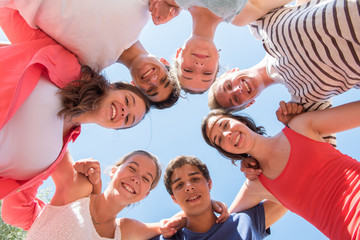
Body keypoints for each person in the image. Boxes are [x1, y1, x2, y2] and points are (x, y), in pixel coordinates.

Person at [0, 7, 150, 208]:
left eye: (128, 119)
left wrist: (87, 205)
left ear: (115, 127)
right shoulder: (67, 65)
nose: (124, 111)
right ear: (113, 87)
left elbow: (18, 212)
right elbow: (10, 13)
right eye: (128, 101)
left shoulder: (55, 157)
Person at [201, 100, 360, 239]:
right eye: (220, 140)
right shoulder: (256, 184)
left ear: (240, 120)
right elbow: (219, 229)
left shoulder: (299, 126)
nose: (227, 134)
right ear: (226, 151)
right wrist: (185, 216)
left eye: (225, 125)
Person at [0, 0, 181, 108]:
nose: (153, 81)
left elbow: (32, 46)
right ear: (163, 61)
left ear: (135, 85)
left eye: (150, 90)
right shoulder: (145, 9)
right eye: (163, 79)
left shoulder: (87, 68)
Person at [208, 0, 360, 118]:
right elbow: (324, 149)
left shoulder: (258, 23)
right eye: (235, 99)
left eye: (228, 85)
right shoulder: (303, 101)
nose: (237, 90)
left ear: (231, 72)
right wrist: (293, 123)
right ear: (249, 104)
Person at [4, 150, 165, 238]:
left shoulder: (126, 230)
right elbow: (47, 143)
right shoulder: (80, 188)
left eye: (146, 178)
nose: (136, 178)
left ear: (145, 195)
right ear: (114, 171)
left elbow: (173, 223)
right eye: (132, 168)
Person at [149, 0, 293, 94]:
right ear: (218, 59)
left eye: (188, 70)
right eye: (207, 73)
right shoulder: (241, 17)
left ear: (178, 54)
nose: (199, 66)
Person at [150, 155, 287, 239]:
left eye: (195, 179)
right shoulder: (167, 237)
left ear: (209, 184)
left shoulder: (244, 222)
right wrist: (181, 219)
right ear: (174, 198)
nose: (189, 187)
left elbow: (291, 191)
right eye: (179, 185)